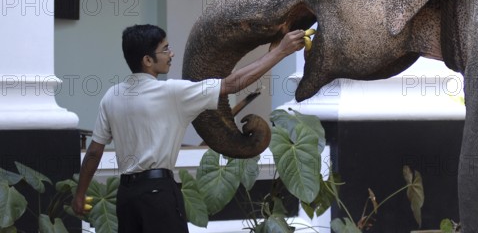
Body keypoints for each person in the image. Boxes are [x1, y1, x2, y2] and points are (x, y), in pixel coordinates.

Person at [72, 24, 305, 233]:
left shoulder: (112, 96)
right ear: (147, 60)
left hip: (126, 197)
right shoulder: (172, 93)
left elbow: (94, 152)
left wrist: (80, 194)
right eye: (165, 49)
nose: (171, 53)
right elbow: (232, 83)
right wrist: (280, 51)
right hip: (158, 194)